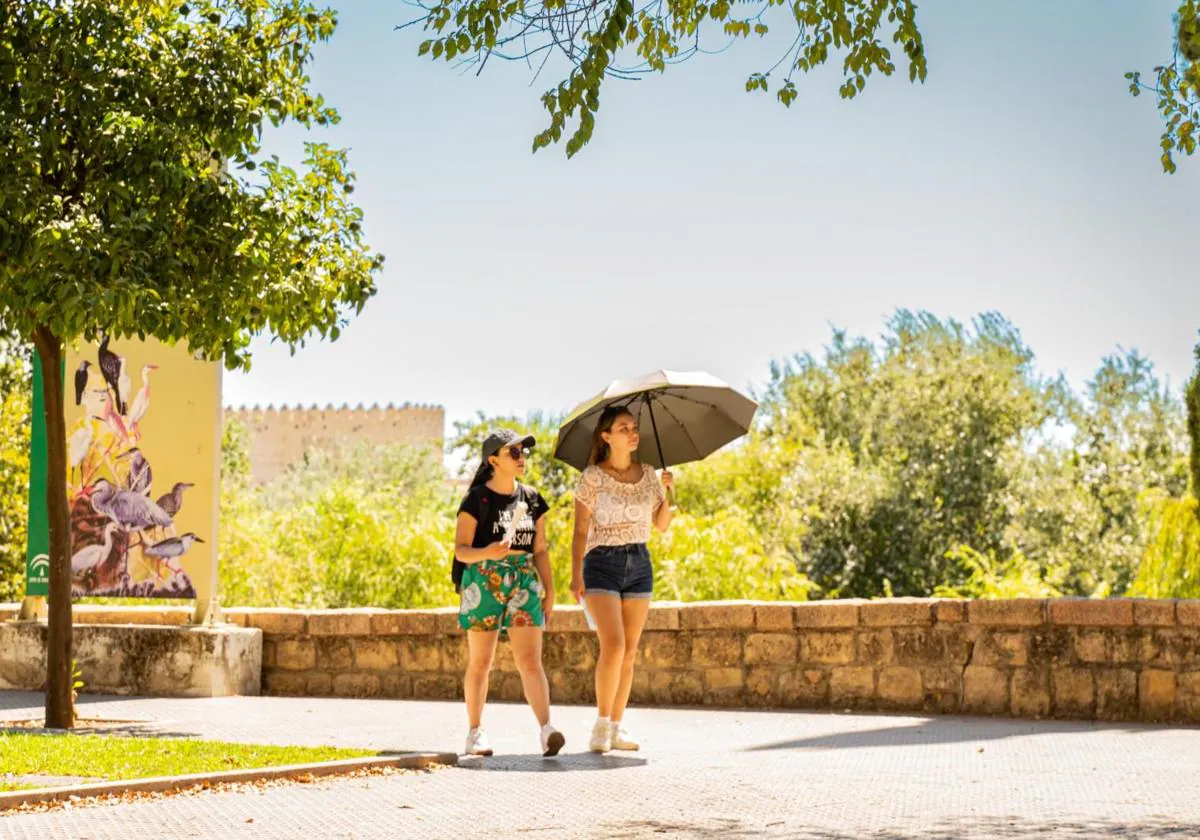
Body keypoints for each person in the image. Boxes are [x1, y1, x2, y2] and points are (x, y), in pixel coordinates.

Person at [570, 405, 675, 752]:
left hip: (640, 562)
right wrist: (575, 576)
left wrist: (668, 492)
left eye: (634, 427)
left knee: (629, 652)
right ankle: (600, 726)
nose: (633, 432)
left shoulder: (648, 475)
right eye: (624, 427)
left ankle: (617, 726)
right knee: (613, 646)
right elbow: (580, 531)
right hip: (601, 562)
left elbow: (660, 525)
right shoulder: (592, 478)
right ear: (606, 437)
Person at [455, 429, 564, 757]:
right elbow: (461, 551)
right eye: (513, 453)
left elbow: (541, 549)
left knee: (531, 659)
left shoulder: (532, 498)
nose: (522, 458)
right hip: (484, 579)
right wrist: (487, 551)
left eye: (523, 452)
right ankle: (475, 732)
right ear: (493, 461)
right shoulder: (477, 499)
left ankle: (547, 730)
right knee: (482, 661)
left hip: (524, 578)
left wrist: (550, 589)